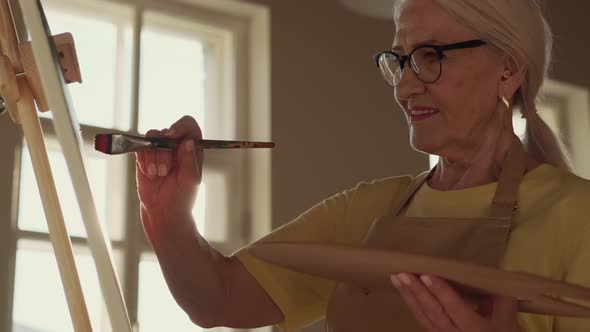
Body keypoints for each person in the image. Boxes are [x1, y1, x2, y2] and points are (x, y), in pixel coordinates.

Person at [134, 0, 590, 331]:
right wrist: (168, 215)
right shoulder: (369, 209)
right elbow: (222, 299)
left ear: (509, 69)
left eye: (431, 57)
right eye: (400, 60)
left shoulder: (576, 215)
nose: (405, 87)